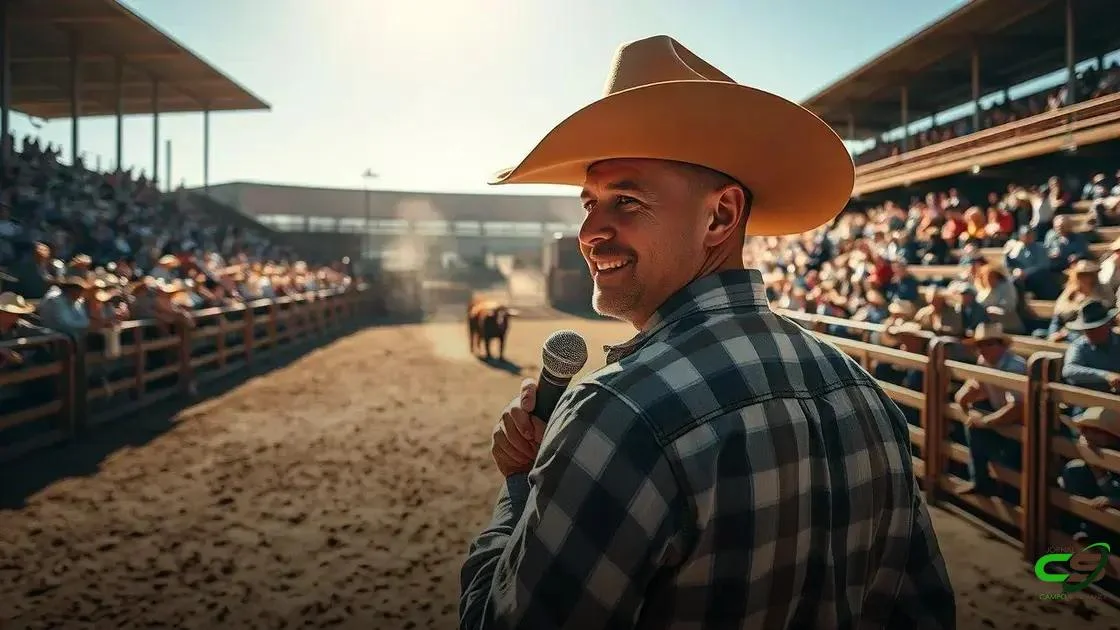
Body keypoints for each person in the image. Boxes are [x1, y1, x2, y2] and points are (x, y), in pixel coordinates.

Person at [459, 35, 955, 630]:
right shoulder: (860, 392)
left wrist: (519, 490)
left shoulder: (618, 412)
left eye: (626, 201)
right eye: (588, 203)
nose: (589, 232)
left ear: (719, 215)